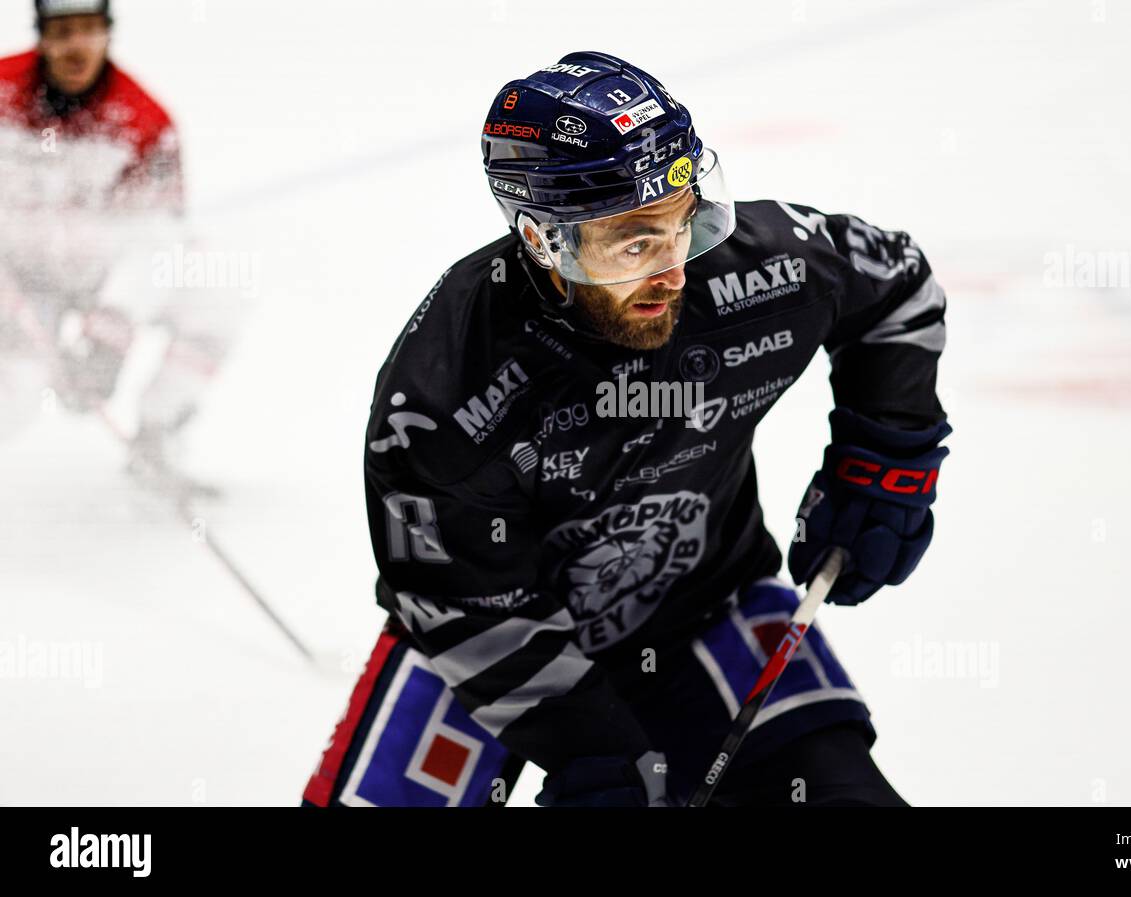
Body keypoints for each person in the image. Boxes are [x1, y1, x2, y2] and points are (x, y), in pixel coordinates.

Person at [304, 51, 951, 807]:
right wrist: (593, 749)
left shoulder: (751, 271)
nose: (675, 271)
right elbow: (452, 605)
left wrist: (885, 458)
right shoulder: (447, 386)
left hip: (705, 608)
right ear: (544, 240)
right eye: (636, 243)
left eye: (685, 225)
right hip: (489, 644)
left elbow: (897, 287)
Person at [0, 0, 237, 486]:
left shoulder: (144, 120)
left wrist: (110, 336)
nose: (76, 45)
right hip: (16, 281)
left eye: (88, 30)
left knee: (219, 299)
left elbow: (162, 237)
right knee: (17, 397)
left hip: (101, 279)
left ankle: (157, 438)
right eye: (62, 31)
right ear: (42, 37)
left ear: (108, 34)